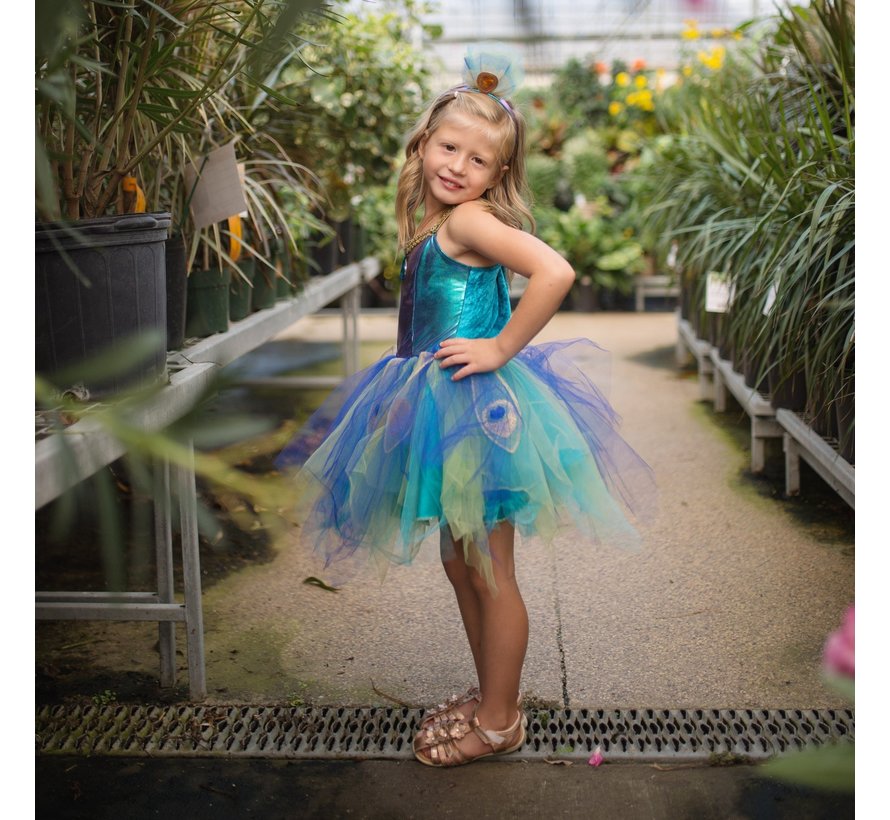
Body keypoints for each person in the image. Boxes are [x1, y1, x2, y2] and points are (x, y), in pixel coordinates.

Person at [276, 45, 656, 768]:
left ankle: (500, 720)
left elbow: (556, 271)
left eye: (478, 161)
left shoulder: (472, 223)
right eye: (448, 147)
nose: (457, 166)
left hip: (476, 415)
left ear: (497, 175)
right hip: (438, 409)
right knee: (461, 562)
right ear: (422, 146)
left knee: (488, 568)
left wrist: (500, 348)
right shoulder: (434, 221)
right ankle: (492, 694)